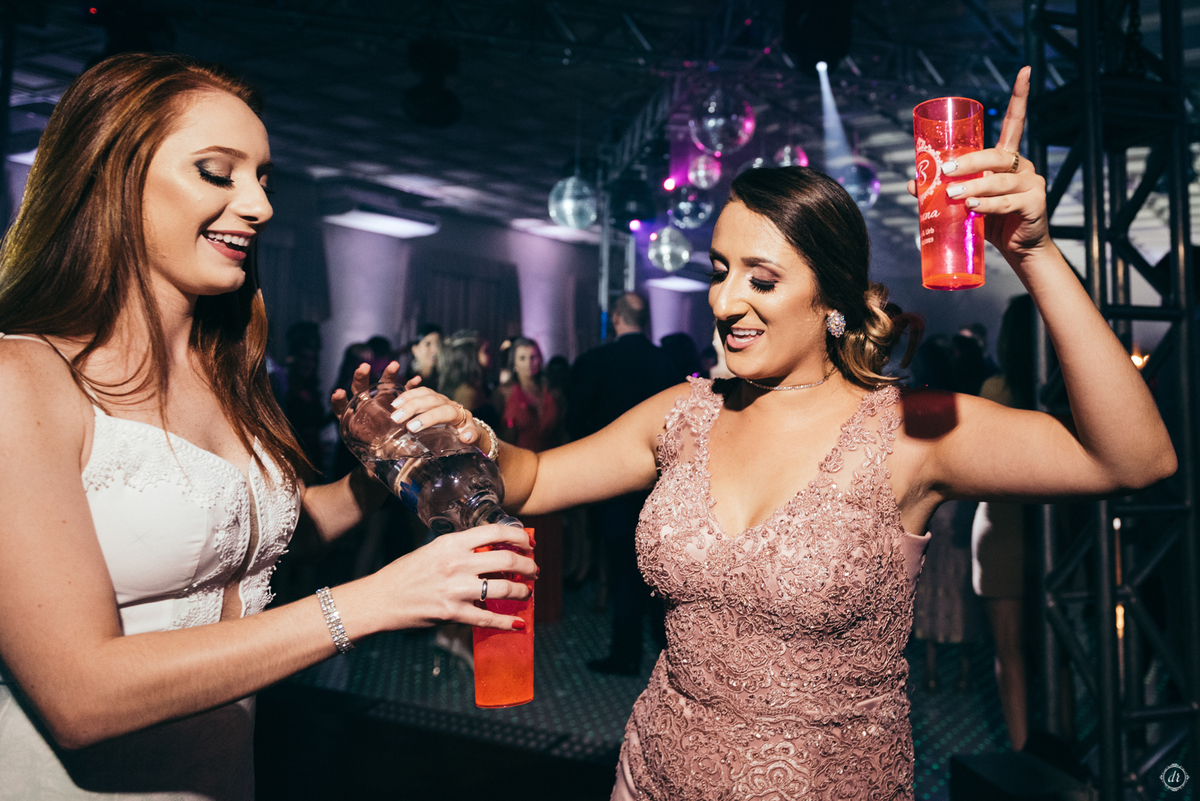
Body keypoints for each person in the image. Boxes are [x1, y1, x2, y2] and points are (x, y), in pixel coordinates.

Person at [380, 68, 1174, 799]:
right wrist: (463, 429)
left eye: (761, 279)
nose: (726, 301)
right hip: (652, 775)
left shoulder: (911, 432)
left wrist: (1031, 252)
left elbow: (1133, 457)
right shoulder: (683, 416)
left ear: (829, 299)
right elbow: (534, 479)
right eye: (719, 271)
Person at [0, 53, 535, 801]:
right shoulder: (22, 377)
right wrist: (376, 598)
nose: (259, 205)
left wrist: (382, 467)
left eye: (263, 179)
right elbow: (81, 694)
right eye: (219, 173)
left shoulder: (222, 372)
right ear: (112, 178)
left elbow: (254, 535)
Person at [566, 293, 676, 675]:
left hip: (613, 484)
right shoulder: (667, 362)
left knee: (623, 569)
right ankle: (670, 653)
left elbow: (576, 423)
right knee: (662, 571)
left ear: (615, 319)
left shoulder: (597, 362)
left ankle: (625, 653)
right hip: (662, 486)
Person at [971, 293, 1037, 750]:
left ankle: (1022, 752)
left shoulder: (996, 392)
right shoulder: (1064, 398)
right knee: (1057, 650)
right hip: (1055, 536)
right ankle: (1063, 745)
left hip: (1000, 527)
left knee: (1009, 652)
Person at [405, 322, 442, 387]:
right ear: (415, 349)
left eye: (438, 344)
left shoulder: (446, 382)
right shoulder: (403, 383)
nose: (435, 350)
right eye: (428, 344)